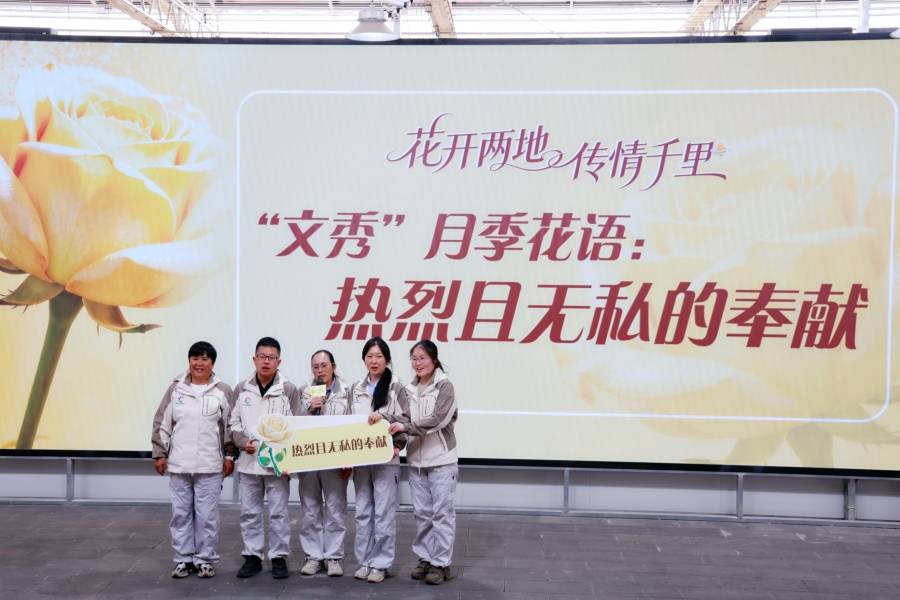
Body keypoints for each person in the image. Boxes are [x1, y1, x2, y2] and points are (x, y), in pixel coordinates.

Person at [151, 340, 235, 579]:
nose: (199, 363)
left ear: (213, 363)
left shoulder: (222, 390)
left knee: (207, 516)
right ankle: (183, 559)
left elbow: (230, 426)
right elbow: (162, 423)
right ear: (189, 361)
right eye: (195, 358)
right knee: (181, 514)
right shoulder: (175, 389)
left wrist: (230, 455)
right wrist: (160, 454)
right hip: (179, 465)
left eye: (205, 359)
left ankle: (205, 560)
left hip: (210, 466)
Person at [229, 337, 301, 580]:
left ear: (279, 361)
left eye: (271, 357)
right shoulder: (242, 388)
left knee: (279, 513)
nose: (266, 361)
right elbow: (233, 423)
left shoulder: (289, 389)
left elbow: (296, 426)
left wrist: (289, 461)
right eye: (262, 357)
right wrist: (242, 442)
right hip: (248, 463)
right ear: (254, 359)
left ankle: (279, 557)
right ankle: (252, 557)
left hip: (277, 465)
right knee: (249, 512)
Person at [391, 340, 458, 585]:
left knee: (442, 514)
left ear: (434, 360)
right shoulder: (409, 389)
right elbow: (403, 419)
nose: (418, 363)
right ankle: (426, 559)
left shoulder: (445, 386)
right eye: (414, 359)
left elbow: (439, 420)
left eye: (423, 358)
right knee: (422, 514)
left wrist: (406, 427)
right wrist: (395, 439)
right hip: (416, 461)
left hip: (441, 460)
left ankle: (441, 564)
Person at [349, 336, 407, 584]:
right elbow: (348, 422)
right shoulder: (355, 388)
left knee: (383, 513)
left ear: (387, 360)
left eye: (379, 356)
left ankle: (380, 564)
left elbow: (406, 419)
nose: (374, 361)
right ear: (364, 359)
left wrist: (397, 442)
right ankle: (364, 561)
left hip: (386, 458)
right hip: (361, 459)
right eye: (370, 356)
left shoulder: (397, 387)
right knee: (363, 512)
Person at [297, 349, 352, 577]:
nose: (319, 370)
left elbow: (353, 425)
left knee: (335, 509)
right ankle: (313, 556)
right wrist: (310, 408)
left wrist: (349, 458)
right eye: (315, 367)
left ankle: (333, 557)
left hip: (335, 459)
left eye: (324, 365)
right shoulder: (303, 391)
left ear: (333, 367)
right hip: (309, 459)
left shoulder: (347, 391)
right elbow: (293, 423)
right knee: (310, 509)